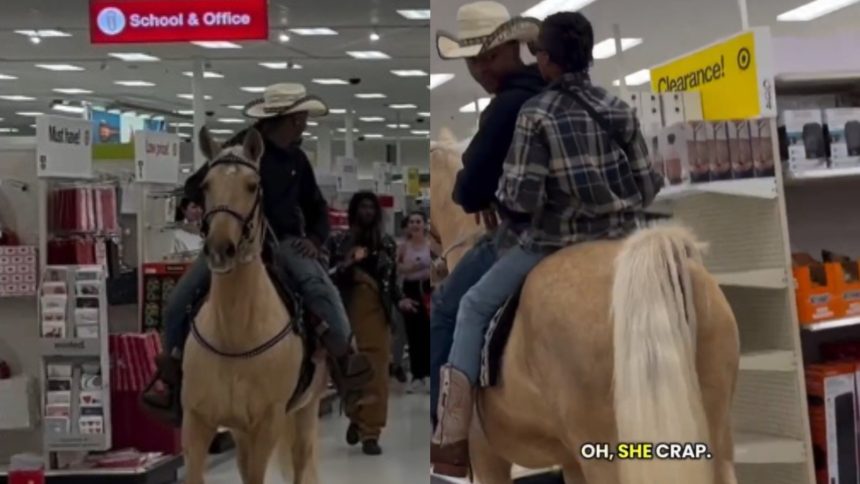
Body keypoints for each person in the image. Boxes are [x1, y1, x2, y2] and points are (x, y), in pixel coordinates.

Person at [431, 11, 664, 476]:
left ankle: (450, 434)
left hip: (551, 241)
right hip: (624, 238)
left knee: (471, 306)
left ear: (547, 60)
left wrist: (507, 202)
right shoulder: (616, 106)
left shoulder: (533, 114)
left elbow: (521, 198)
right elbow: (649, 183)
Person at [142, 83, 372, 424]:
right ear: (290, 119)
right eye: (301, 117)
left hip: (286, 244)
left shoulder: (296, 158)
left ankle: (345, 359)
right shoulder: (236, 151)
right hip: (235, 243)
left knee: (317, 286)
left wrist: (314, 238)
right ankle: (172, 374)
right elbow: (197, 185)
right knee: (180, 299)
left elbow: (316, 206)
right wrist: (194, 205)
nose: (305, 123)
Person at [430, 0, 545, 426]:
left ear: (510, 51)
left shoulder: (504, 108)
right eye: (471, 63)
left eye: (485, 59)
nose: (478, 72)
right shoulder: (551, 91)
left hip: (525, 233)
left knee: (446, 307)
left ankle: (446, 424)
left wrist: (478, 196)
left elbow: (469, 184)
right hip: (593, 226)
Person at [325, 191, 419, 456]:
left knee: (376, 375)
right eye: (362, 207)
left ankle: (371, 433)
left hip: (377, 315)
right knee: (348, 372)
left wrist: (400, 301)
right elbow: (329, 277)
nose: (367, 211)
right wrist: (349, 262)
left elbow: (390, 281)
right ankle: (356, 417)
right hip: (345, 314)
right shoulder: (339, 242)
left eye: (371, 207)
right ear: (354, 212)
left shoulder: (387, 244)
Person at [397, 211, 434, 393]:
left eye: (418, 221)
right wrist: (415, 267)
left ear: (424, 224)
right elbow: (398, 268)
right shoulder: (403, 247)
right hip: (410, 289)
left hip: (428, 289)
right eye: (412, 221)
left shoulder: (431, 245)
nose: (415, 225)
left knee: (428, 332)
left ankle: (429, 373)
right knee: (413, 333)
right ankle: (416, 374)